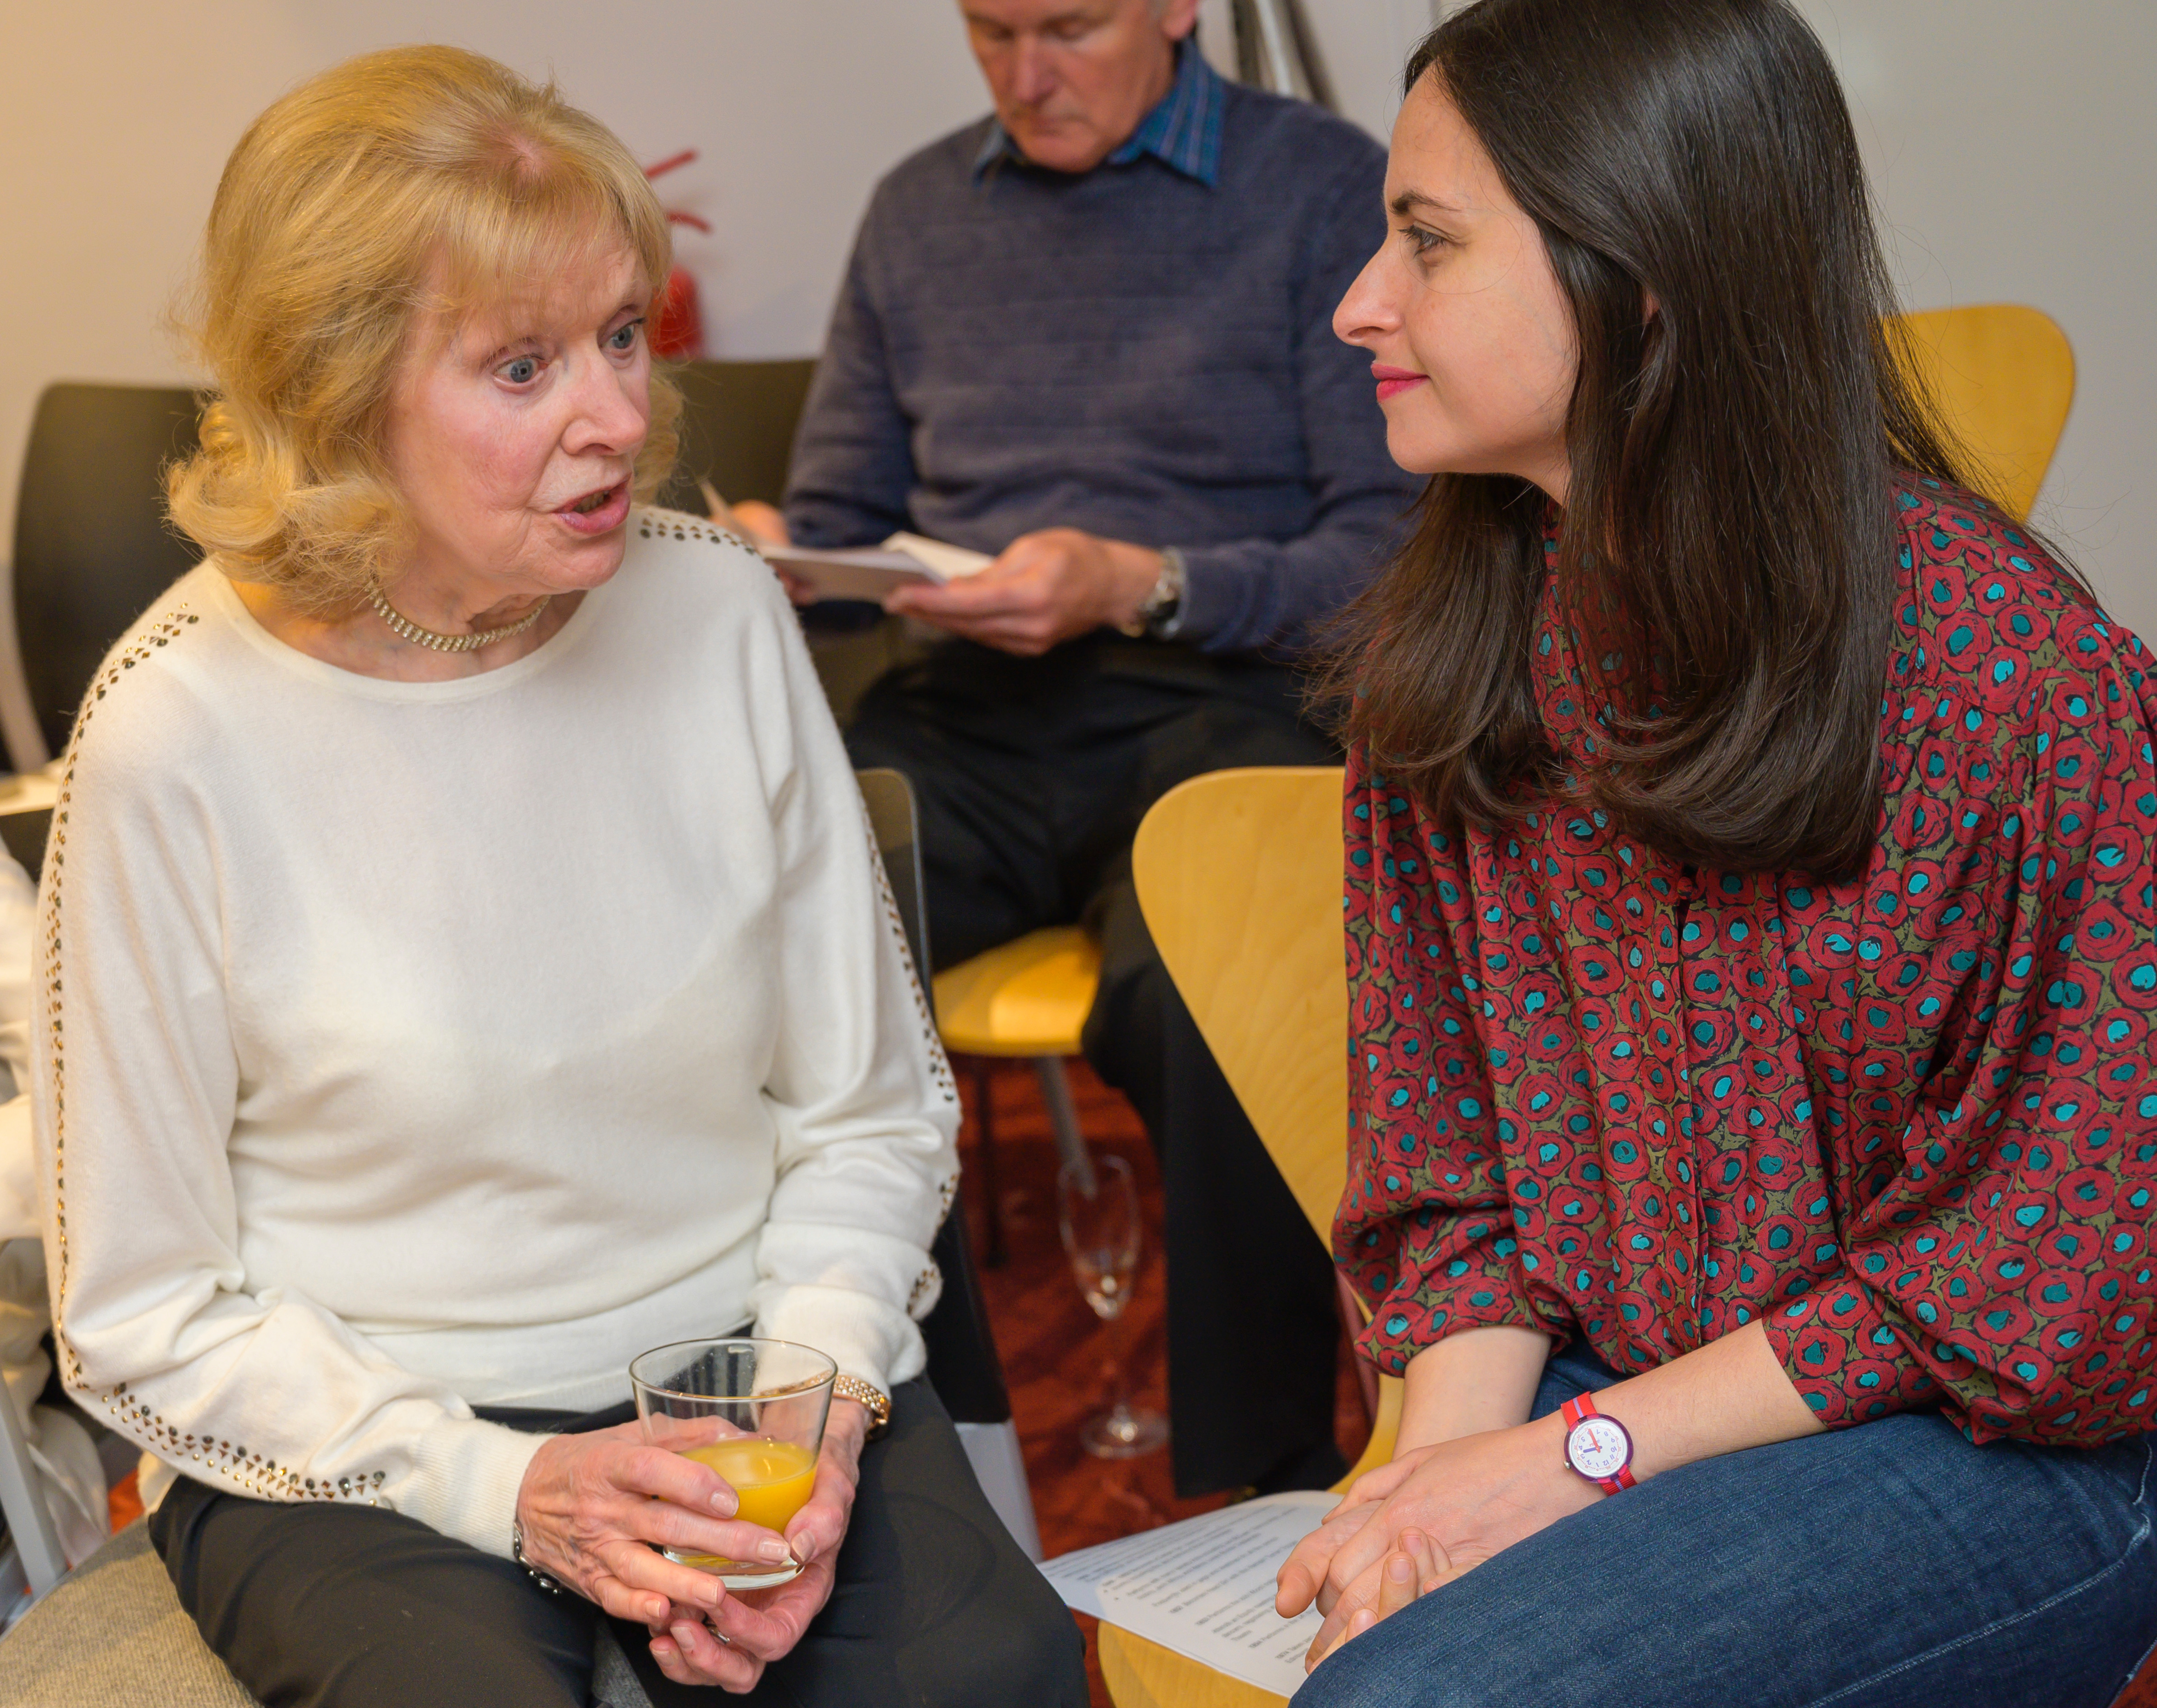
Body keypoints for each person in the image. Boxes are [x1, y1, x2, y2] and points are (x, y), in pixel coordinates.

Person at [33, 46, 1084, 1706]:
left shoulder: (720, 613)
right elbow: (145, 1307)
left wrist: (805, 1409)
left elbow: (871, 1114)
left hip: (735, 1368)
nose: (619, 418)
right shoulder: (171, 734)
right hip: (360, 1432)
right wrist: (507, 1484)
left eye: (620, 335)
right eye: (522, 366)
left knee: (989, 1677)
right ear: (337, 393)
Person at [1271, 1, 2157, 1703]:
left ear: (1644, 273)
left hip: (1983, 1433)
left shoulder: (2005, 675)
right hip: (1617, 1386)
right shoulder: (1455, 660)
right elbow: (1454, 1178)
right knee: (1372, 1641)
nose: (1358, 303)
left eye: (1427, 242)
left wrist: (1569, 1460)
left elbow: (2044, 1279)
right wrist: (1428, 1487)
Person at [734, 0, 1419, 1500]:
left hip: (1223, 701)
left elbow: (1390, 549)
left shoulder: (1316, 183)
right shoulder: (919, 209)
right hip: (962, 708)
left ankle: (1263, 1486)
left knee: (1206, 992)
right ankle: (915, 1461)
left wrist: (1143, 582)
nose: (1025, 76)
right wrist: (786, 559)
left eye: (1069, 28)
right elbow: (842, 517)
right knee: (772, 943)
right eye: (991, 31)